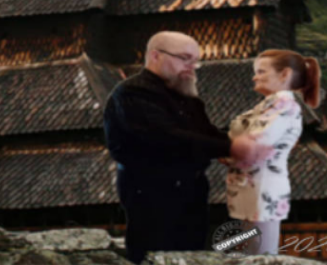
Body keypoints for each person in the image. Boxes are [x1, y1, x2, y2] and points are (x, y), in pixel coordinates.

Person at [104, 31, 271, 264]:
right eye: (184, 58)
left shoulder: (184, 95)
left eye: (195, 60)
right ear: (155, 56)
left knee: (192, 254)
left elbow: (204, 131)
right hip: (151, 190)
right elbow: (167, 137)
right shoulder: (134, 92)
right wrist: (231, 148)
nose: (192, 66)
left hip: (191, 189)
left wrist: (238, 145)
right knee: (155, 255)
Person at [223, 49, 320, 255]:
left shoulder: (284, 105)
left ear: (284, 74)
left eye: (261, 71)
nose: (254, 76)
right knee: (252, 253)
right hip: (250, 186)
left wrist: (222, 149)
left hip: (263, 188)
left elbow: (257, 142)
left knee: (261, 256)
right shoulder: (267, 106)